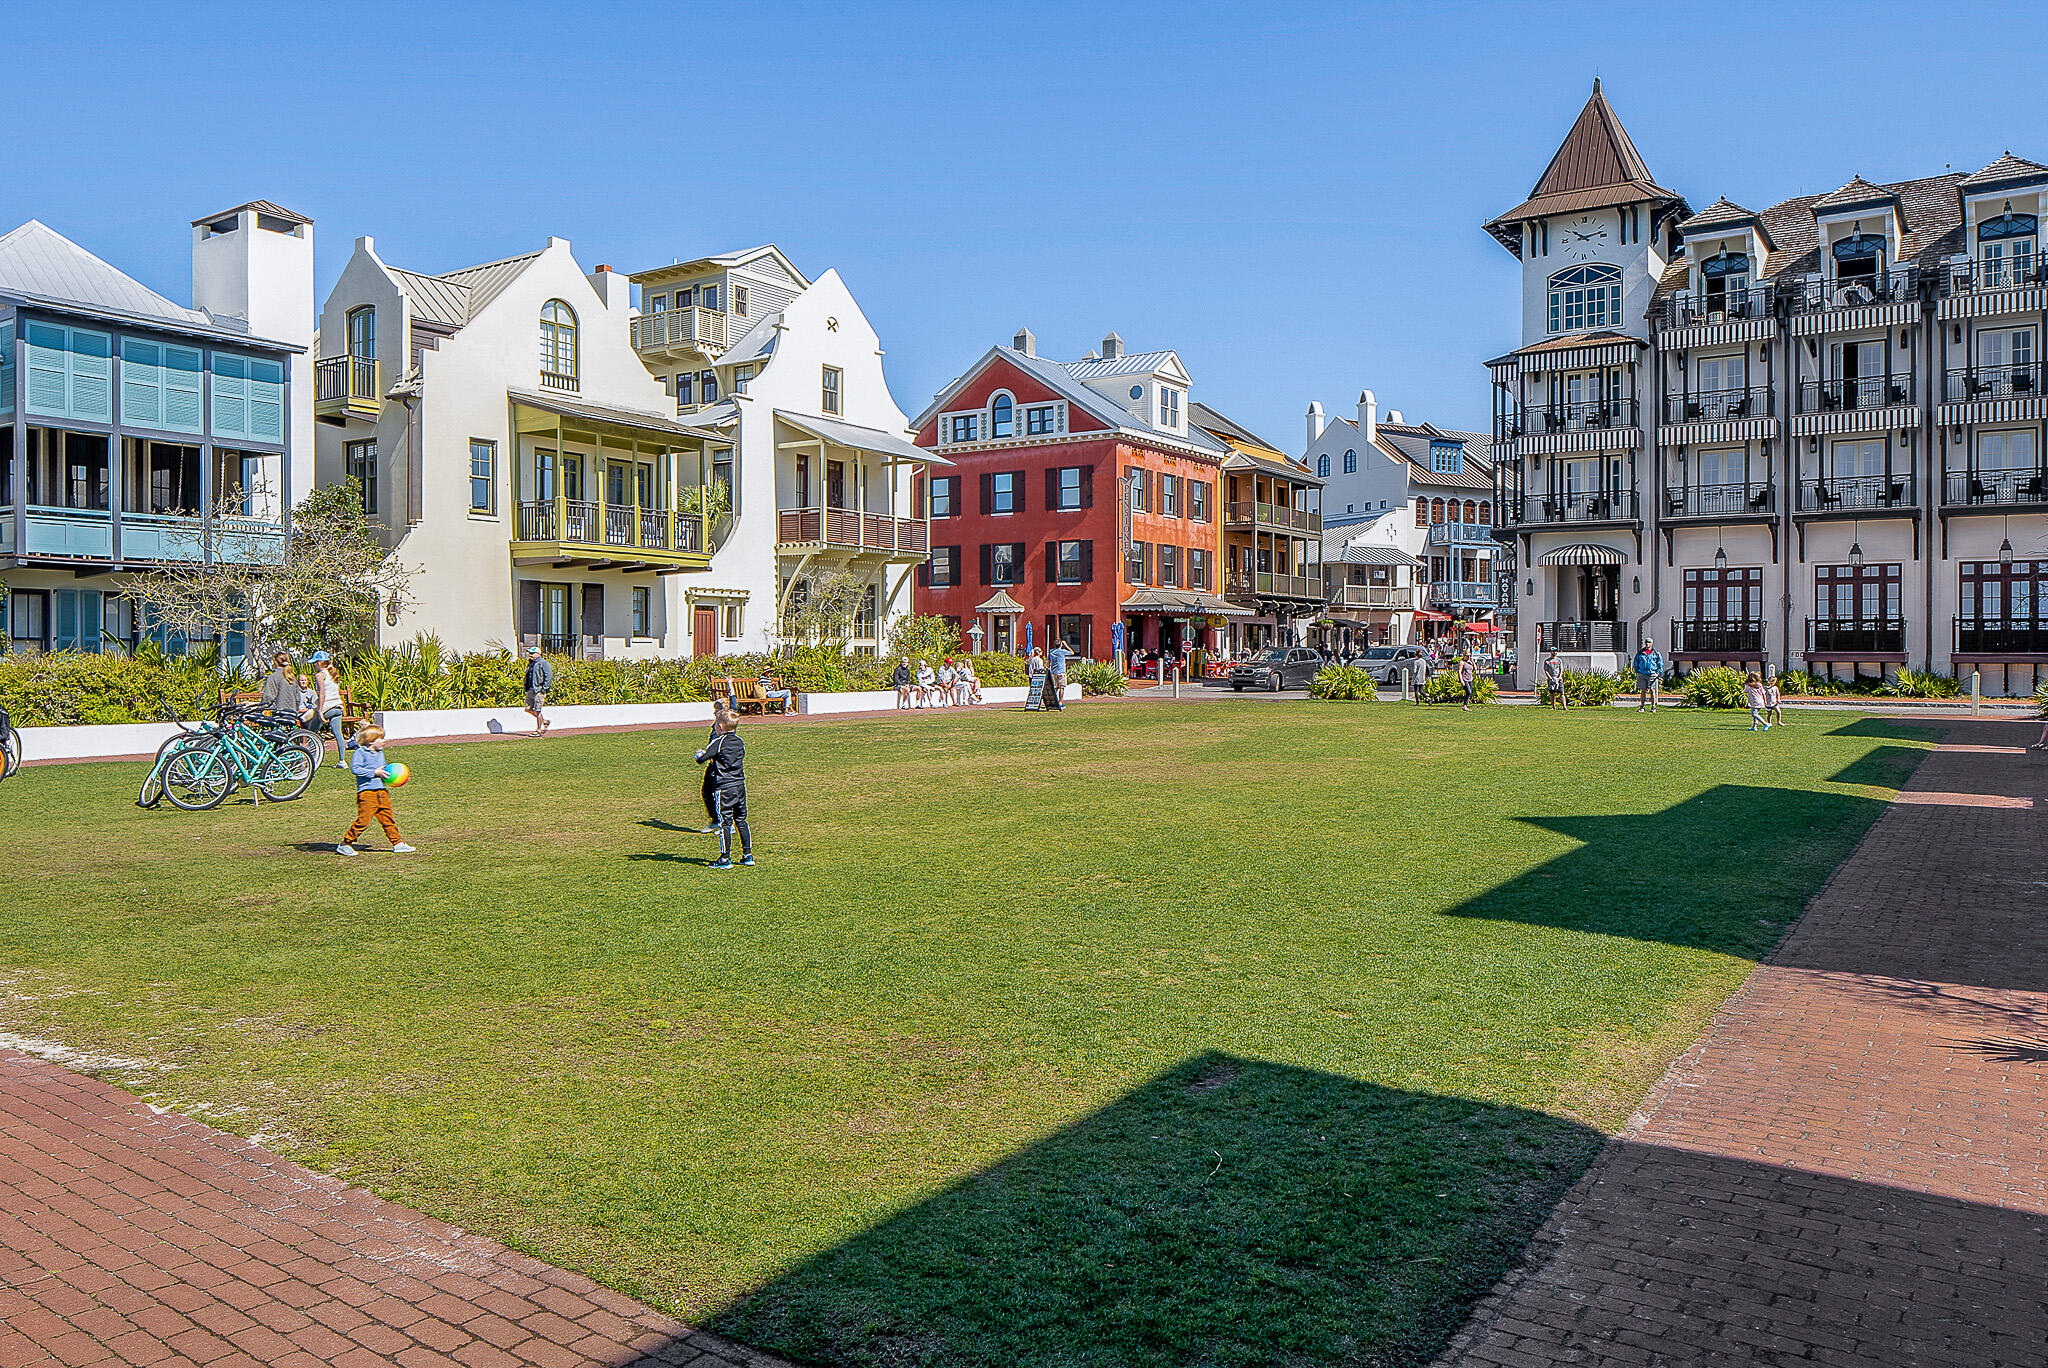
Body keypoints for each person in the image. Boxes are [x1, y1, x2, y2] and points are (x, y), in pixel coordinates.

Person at [336, 724, 414, 856]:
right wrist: (374, 772)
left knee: (388, 819)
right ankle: (345, 843)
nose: (384, 741)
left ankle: (397, 843)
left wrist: (390, 776)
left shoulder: (380, 753)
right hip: (367, 793)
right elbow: (356, 769)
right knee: (363, 821)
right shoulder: (360, 752)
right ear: (371, 741)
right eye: (380, 738)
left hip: (381, 792)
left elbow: (382, 770)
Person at [695, 712, 753, 869]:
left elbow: (702, 758)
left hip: (724, 787)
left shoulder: (718, 742)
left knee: (725, 822)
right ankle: (747, 855)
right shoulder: (740, 741)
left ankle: (724, 858)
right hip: (740, 785)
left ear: (720, 726)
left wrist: (699, 754)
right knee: (741, 820)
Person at [305, 652, 348, 765]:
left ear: (319, 663)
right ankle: (342, 761)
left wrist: (319, 711)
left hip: (327, 707)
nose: (314, 665)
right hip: (337, 707)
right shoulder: (332, 673)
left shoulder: (320, 675)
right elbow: (336, 692)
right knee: (338, 734)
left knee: (311, 732)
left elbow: (322, 694)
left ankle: (312, 758)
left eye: (315, 663)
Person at [699, 703, 734, 831]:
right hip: (714, 762)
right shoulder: (720, 725)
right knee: (707, 791)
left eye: (716, 711)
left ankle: (726, 824)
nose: (714, 713)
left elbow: (717, 744)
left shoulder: (722, 728)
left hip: (718, 764)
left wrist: (708, 754)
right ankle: (717, 820)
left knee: (718, 793)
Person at [259, 651, 301, 718]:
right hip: (292, 712)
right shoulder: (292, 678)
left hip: (278, 713)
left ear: (275, 662)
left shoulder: (273, 677)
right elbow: (298, 698)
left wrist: (260, 708)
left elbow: (268, 697)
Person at [524, 646, 553, 735]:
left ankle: (539, 730)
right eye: (530, 653)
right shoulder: (531, 664)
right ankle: (544, 721)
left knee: (537, 710)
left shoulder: (543, 663)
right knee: (528, 709)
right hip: (530, 689)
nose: (530, 655)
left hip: (539, 690)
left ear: (538, 654)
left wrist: (544, 689)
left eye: (532, 653)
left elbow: (548, 677)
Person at [1633, 638, 1665, 711]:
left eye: (1649, 642)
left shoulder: (1656, 653)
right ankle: (1642, 707)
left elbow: (1660, 663)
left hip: (1652, 674)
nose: (1647, 644)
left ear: (1652, 643)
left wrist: (1658, 672)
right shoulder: (1640, 653)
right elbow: (1636, 662)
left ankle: (1653, 707)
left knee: (1652, 690)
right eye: (1646, 642)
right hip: (1642, 673)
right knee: (1643, 690)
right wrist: (1637, 670)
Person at [1048, 639, 1073, 704]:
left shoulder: (1051, 652)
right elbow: (1072, 652)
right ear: (1060, 645)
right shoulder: (1062, 651)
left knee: (1055, 688)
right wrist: (1066, 645)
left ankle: (1053, 701)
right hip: (1061, 671)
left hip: (1053, 672)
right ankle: (1060, 702)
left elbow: (1048, 660)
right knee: (1061, 687)